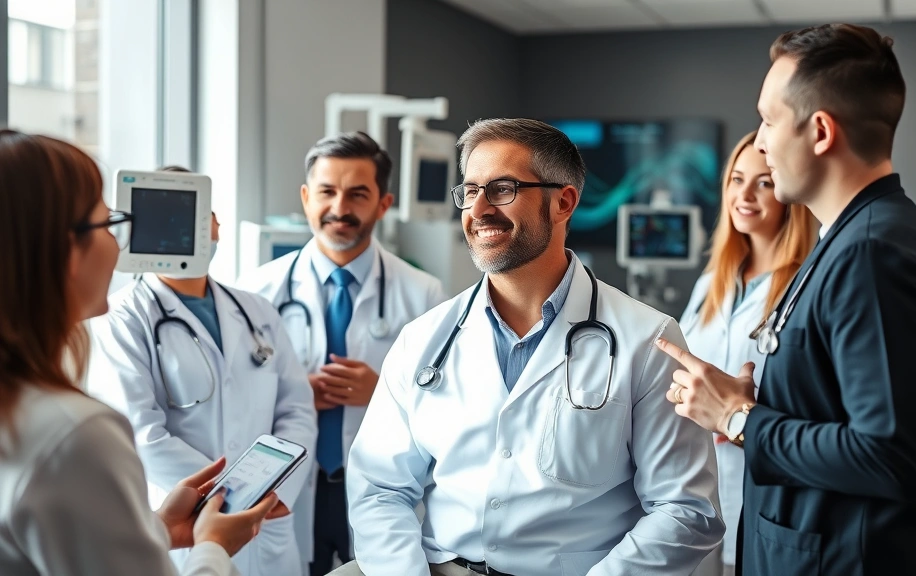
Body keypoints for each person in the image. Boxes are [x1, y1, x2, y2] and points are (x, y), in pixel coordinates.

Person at [335, 118, 724, 576]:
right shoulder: (423, 339)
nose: (478, 209)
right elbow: (379, 487)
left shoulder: (646, 339)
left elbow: (684, 509)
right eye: (470, 190)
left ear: (564, 202)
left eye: (502, 189)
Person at [657, 24, 916, 575]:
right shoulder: (854, 240)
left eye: (769, 120)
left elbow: (892, 456)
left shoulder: (873, 254)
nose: (759, 142)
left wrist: (739, 418)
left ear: (821, 131)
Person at [0, 129, 278, 575]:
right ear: (68, 251)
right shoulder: (76, 437)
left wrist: (159, 529)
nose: (120, 244)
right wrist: (213, 546)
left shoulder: (23, 411)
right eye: (110, 224)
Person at [88, 165, 318, 576]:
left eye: (201, 214)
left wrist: (273, 487)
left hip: (269, 517)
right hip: (186, 521)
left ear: (215, 226)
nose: (190, 227)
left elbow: (297, 408)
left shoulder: (255, 309)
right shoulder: (124, 317)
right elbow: (142, 434)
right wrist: (234, 493)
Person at [236, 132, 446, 575]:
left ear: (383, 204)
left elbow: (448, 412)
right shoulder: (257, 292)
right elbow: (234, 401)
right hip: (289, 486)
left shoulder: (423, 294)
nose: (339, 208)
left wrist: (383, 391)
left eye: (357, 194)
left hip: (380, 489)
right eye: (327, 192)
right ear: (306, 197)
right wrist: (292, 396)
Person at [682, 130, 816, 576]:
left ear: (787, 192)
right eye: (737, 180)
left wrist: (735, 413)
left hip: (758, 480)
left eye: (763, 182)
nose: (745, 194)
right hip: (693, 483)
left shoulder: (804, 287)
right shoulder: (710, 284)